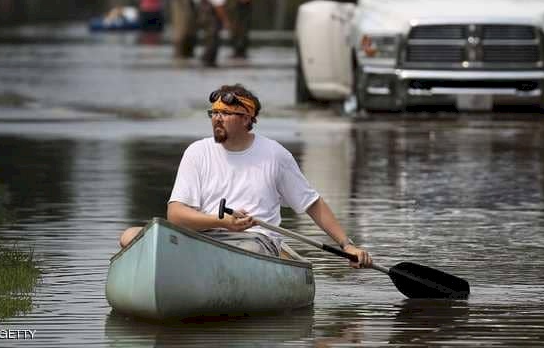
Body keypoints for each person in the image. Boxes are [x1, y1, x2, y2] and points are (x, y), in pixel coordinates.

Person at [118, 84, 372, 269]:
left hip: (256, 242)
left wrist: (346, 244)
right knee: (130, 236)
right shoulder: (197, 152)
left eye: (225, 114)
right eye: (214, 113)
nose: (217, 118)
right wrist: (221, 222)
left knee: (242, 249)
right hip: (206, 236)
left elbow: (312, 204)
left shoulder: (274, 155)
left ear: (247, 119)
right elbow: (175, 214)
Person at [192, 0, 231, 67]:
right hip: (213, 16)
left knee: (207, 40)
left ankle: (204, 61)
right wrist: (225, 20)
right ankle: (208, 63)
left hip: (202, 15)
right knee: (213, 41)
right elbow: (219, 4)